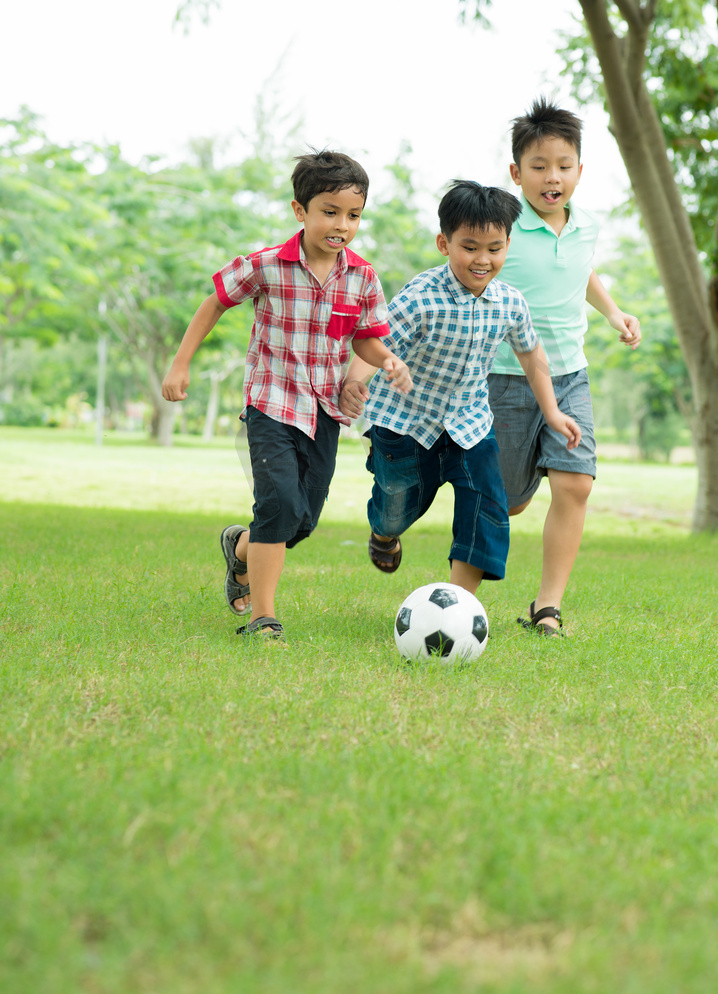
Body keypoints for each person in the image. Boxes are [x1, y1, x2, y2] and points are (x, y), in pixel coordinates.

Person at [162, 150, 412, 640]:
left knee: (300, 520)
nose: (342, 224)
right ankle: (263, 615)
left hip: (323, 410)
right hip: (271, 402)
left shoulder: (362, 277)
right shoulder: (268, 266)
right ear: (301, 211)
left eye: (354, 215)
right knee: (277, 503)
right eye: (330, 211)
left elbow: (363, 336)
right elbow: (216, 301)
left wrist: (385, 359)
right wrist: (181, 362)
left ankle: (239, 550)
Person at [339, 179, 581, 597]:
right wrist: (354, 383)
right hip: (405, 422)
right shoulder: (421, 297)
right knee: (398, 505)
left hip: (470, 423)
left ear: (508, 245)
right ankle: (383, 532)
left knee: (486, 501)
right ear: (444, 243)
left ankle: (458, 604)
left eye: (494, 248)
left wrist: (554, 411)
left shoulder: (510, 302)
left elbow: (531, 355)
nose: (482, 259)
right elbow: (375, 342)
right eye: (469, 247)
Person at [487, 99, 641, 637]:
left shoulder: (585, 227)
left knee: (575, 484)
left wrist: (615, 312)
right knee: (505, 504)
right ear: (516, 173)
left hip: (569, 374)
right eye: (539, 166)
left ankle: (546, 606)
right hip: (503, 378)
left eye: (563, 165)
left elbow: (583, 272)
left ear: (579, 169)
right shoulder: (502, 226)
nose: (552, 177)